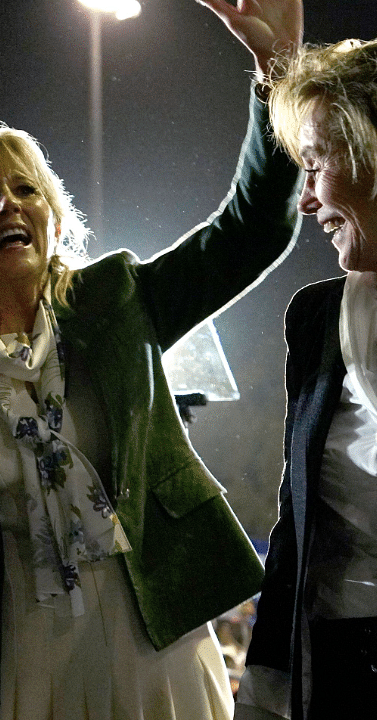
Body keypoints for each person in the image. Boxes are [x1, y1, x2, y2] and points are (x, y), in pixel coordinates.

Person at [0, 2, 303, 719]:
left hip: (156, 633)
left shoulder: (116, 300)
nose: (11, 203)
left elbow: (249, 228)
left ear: (53, 215)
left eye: (26, 189)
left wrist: (277, 76)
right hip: (21, 648)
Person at [235, 37, 377, 720]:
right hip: (341, 668)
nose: (307, 199)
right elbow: (296, 535)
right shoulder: (316, 318)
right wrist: (264, 692)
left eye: (317, 164)